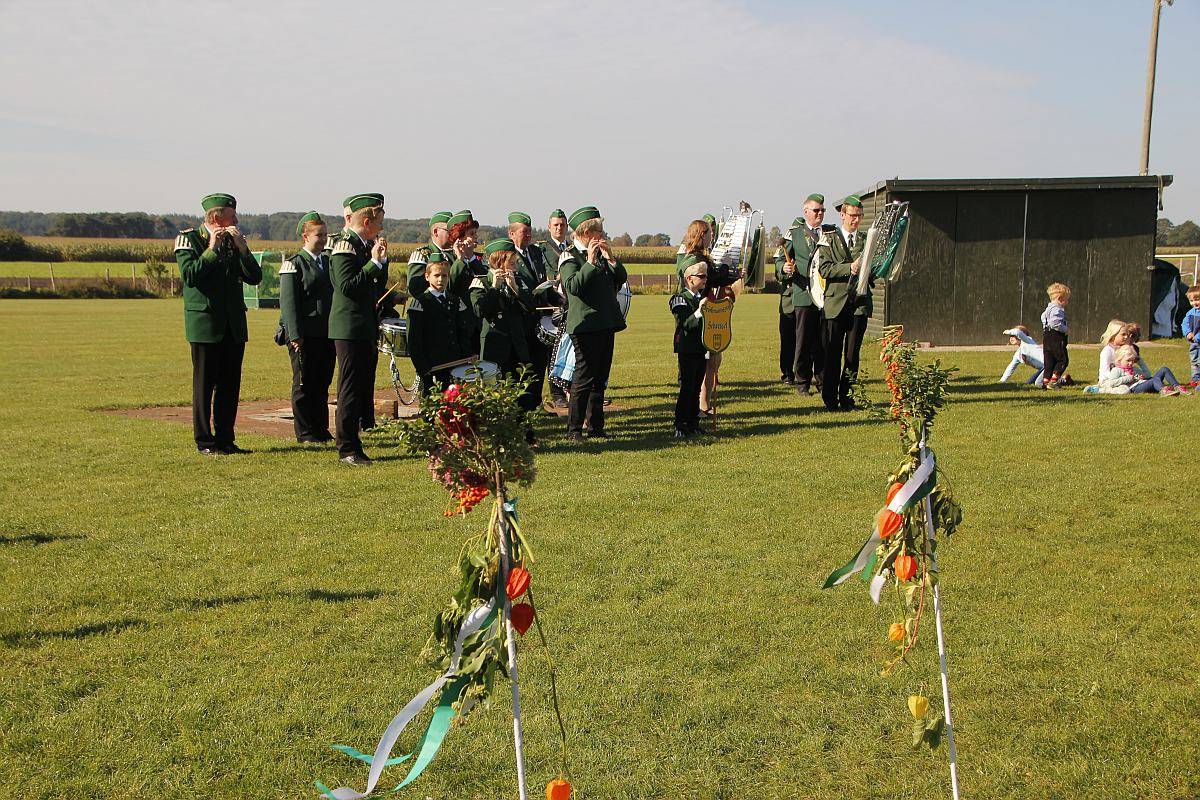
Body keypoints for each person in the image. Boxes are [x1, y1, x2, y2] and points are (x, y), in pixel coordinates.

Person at [173, 192, 263, 455]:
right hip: (205, 325)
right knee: (204, 385)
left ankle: (226, 439)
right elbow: (191, 276)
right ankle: (205, 441)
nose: (236, 220)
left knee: (229, 386)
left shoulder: (234, 242)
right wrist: (212, 248)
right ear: (216, 218)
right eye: (232, 216)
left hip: (233, 325)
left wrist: (243, 249)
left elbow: (254, 277)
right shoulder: (190, 240)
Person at [557, 206, 628, 441]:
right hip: (585, 326)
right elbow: (573, 287)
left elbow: (621, 278)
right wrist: (588, 261)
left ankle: (596, 428)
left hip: (606, 322)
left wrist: (611, 258)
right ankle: (574, 430)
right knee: (583, 379)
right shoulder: (569, 256)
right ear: (587, 233)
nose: (603, 235)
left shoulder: (601, 255)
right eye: (599, 232)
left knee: (600, 379)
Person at [329, 193, 388, 466]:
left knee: (362, 387)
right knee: (350, 388)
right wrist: (373, 263)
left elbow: (374, 284)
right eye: (379, 222)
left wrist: (380, 262)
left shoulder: (365, 245)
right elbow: (347, 286)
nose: (381, 227)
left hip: (364, 325)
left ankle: (355, 443)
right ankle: (347, 448)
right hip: (349, 327)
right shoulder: (345, 245)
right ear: (367, 221)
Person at [471, 237, 540, 442]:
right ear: (500, 261)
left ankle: (525, 436)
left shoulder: (518, 280)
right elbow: (480, 310)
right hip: (495, 346)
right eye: (512, 262)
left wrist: (515, 289)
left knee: (522, 393)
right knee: (496, 393)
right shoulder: (481, 282)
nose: (516, 266)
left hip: (517, 345)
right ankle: (497, 436)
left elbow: (531, 307)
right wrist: (494, 287)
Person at [278, 211, 335, 443]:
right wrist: (295, 335)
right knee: (303, 383)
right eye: (319, 235)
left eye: (325, 234)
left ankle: (320, 428)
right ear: (306, 237)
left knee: (322, 382)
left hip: (326, 333)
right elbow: (289, 304)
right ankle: (304, 431)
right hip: (304, 335)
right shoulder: (294, 264)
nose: (323, 239)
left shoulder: (328, 262)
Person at [816, 196, 867, 411]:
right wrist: (849, 268)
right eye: (853, 215)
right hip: (835, 303)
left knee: (852, 355)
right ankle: (830, 399)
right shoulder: (829, 238)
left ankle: (847, 398)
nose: (856, 220)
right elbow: (824, 269)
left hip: (858, 304)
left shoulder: (866, 240)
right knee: (832, 354)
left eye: (860, 216)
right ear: (842, 215)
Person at [509, 212, 560, 412]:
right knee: (524, 366)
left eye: (530, 231)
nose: (528, 235)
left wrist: (559, 300)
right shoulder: (508, 255)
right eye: (524, 232)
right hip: (522, 321)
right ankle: (523, 407)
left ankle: (536, 404)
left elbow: (543, 283)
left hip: (540, 319)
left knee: (539, 364)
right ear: (512, 234)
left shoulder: (536, 252)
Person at [407, 252, 470, 392]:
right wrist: (423, 367)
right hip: (431, 366)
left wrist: (466, 356)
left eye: (444, 276)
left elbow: (463, 332)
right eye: (436, 276)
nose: (441, 279)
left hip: (455, 364)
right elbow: (414, 340)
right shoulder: (420, 302)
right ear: (427, 277)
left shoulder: (456, 301)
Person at [788, 194, 831, 396]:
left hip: (825, 296)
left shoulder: (830, 233)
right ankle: (802, 382)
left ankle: (822, 381)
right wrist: (784, 268)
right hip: (803, 294)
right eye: (816, 210)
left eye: (822, 210)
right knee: (803, 342)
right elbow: (781, 260)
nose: (820, 213)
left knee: (823, 342)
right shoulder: (795, 233)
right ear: (806, 212)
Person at [670, 255, 710, 437]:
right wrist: (700, 311)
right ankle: (680, 424)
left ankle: (693, 423)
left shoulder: (702, 297)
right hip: (687, 349)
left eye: (706, 276)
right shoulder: (679, 299)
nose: (705, 279)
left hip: (701, 348)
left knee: (696, 388)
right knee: (687, 388)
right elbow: (685, 323)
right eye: (702, 276)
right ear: (689, 278)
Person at [538, 209, 572, 409]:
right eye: (556, 225)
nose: (559, 228)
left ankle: (571, 389)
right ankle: (556, 393)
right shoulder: (542, 249)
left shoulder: (571, 247)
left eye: (562, 225)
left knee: (570, 350)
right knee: (553, 351)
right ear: (549, 227)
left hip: (570, 304)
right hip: (551, 305)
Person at [772, 218, 799, 385]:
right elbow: (779, 263)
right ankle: (787, 373)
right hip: (789, 300)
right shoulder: (789, 240)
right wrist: (784, 268)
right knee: (788, 339)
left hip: (810, 297)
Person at [1101, 344, 1187, 395]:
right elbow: (1111, 383)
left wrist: (1140, 362)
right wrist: (1129, 378)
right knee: (1154, 380)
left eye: (1133, 361)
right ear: (1120, 359)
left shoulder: (1133, 368)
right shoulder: (1117, 370)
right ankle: (1163, 390)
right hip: (1134, 388)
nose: (1131, 363)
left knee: (1164, 369)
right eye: (1128, 360)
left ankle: (1177, 387)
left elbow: (1148, 375)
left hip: (1142, 383)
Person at [406, 210, 455, 297]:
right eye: (450, 231)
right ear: (436, 232)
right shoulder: (422, 254)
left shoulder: (455, 254)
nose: (454, 234)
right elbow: (415, 289)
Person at [1040, 283, 1070, 388]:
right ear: (1060, 298)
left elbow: (1043, 318)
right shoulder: (1058, 309)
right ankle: (1053, 380)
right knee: (1062, 360)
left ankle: (1045, 382)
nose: (1067, 302)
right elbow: (1055, 323)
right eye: (1066, 299)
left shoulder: (1047, 308)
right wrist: (1065, 329)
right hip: (1056, 336)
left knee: (1049, 361)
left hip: (1046, 336)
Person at [1183, 285, 1200, 385]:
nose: (1194, 303)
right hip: (1193, 343)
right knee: (1194, 361)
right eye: (1191, 301)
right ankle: (1195, 379)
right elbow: (1184, 324)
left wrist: (1197, 337)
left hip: (1198, 340)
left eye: (1197, 299)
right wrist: (1188, 333)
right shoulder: (1190, 313)